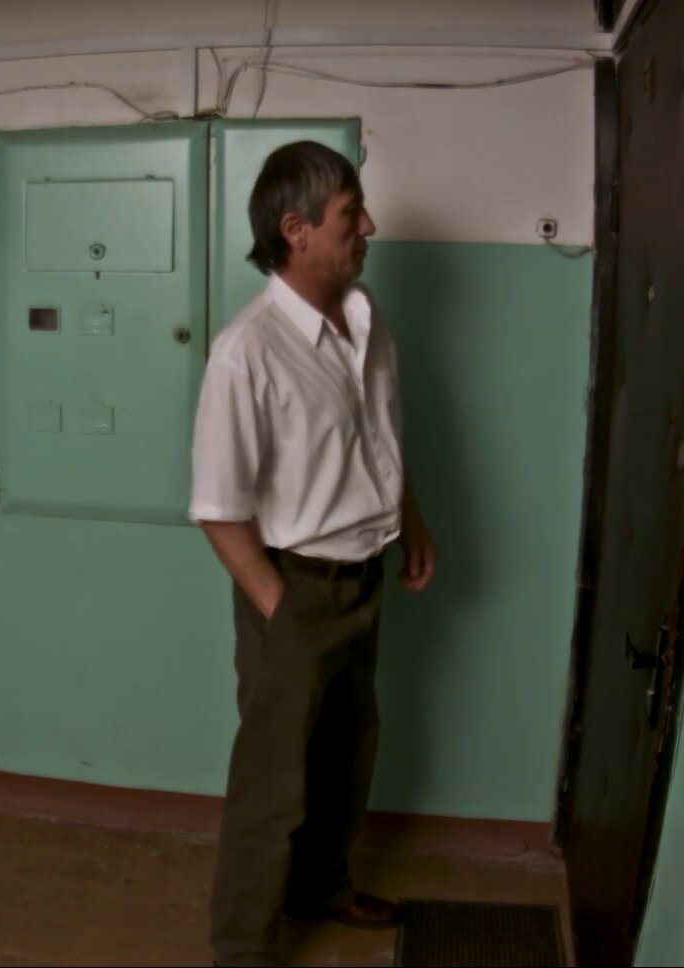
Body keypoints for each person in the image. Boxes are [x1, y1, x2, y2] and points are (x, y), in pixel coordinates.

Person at [190, 140, 437, 967]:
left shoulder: (365, 317)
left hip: (365, 578)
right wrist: (281, 612)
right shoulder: (246, 352)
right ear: (296, 231)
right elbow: (219, 512)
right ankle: (241, 952)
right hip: (293, 588)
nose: (369, 226)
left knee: (348, 755)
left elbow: (379, 438)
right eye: (350, 214)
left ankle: (322, 889)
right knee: (273, 790)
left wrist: (411, 521)